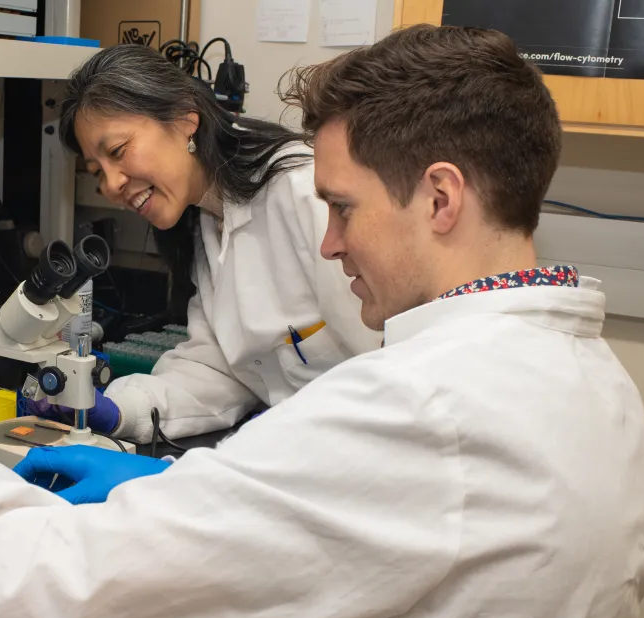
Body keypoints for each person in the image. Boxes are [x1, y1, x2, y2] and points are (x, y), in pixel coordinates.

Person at [0, 25, 644, 618]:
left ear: (440, 198)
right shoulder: (593, 377)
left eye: (345, 208)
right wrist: (151, 450)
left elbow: (46, 596)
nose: (328, 242)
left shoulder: (421, 409)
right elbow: (242, 376)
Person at [23, 43, 382, 444]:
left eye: (118, 152)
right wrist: (119, 409)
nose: (111, 184)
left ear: (184, 120)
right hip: (299, 451)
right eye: (97, 172)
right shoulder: (210, 223)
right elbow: (218, 370)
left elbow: (386, 361)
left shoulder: (304, 194)